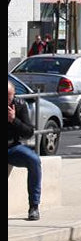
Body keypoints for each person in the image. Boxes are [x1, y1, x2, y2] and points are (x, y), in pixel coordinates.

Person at [8, 80, 42, 221]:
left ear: (14, 94)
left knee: (34, 160)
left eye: (9, 96)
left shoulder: (20, 105)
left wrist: (14, 120)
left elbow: (29, 133)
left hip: (12, 148)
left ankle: (34, 206)